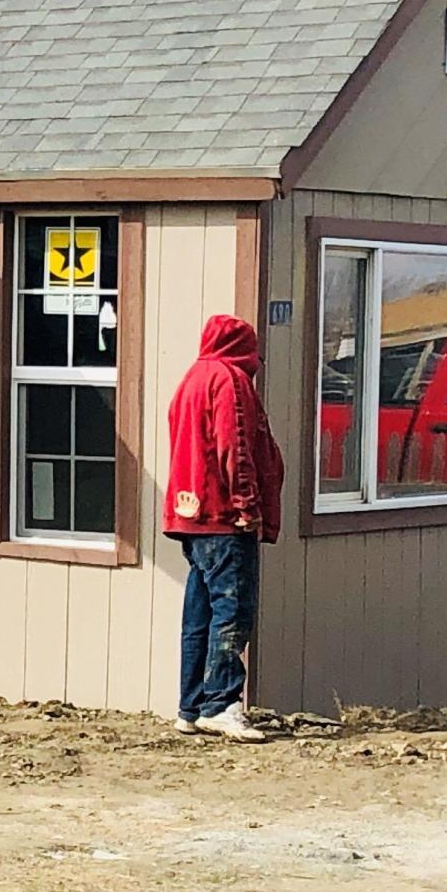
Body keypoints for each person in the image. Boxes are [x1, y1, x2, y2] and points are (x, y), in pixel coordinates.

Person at [164, 313, 284, 742]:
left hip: (192, 515)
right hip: (223, 517)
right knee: (232, 611)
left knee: (200, 614)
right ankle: (221, 705)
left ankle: (191, 707)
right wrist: (246, 505)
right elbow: (236, 445)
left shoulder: (191, 380)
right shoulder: (229, 381)